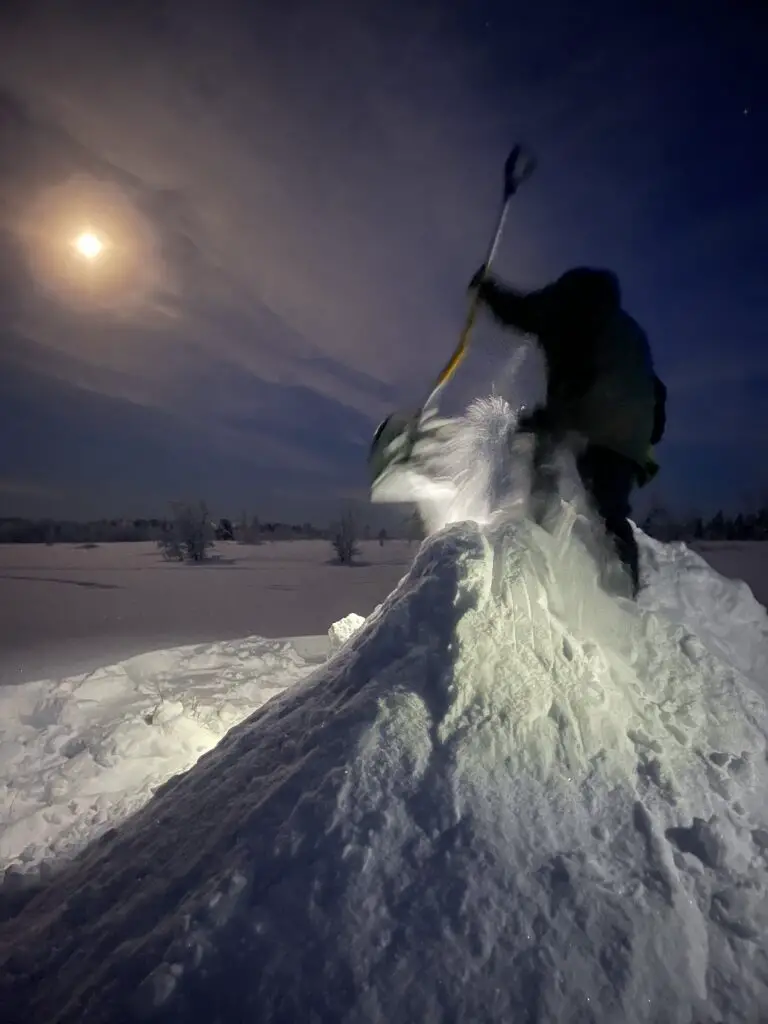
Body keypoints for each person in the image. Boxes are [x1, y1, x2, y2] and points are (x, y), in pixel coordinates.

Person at [469, 265, 667, 596]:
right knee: (609, 510)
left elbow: (521, 311)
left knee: (540, 451)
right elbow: (654, 387)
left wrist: (487, 290)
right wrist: (648, 436)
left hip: (591, 411)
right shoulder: (626, 328)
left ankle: (539, 540)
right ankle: (624, 592)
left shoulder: (567, 306)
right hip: (632, 433)